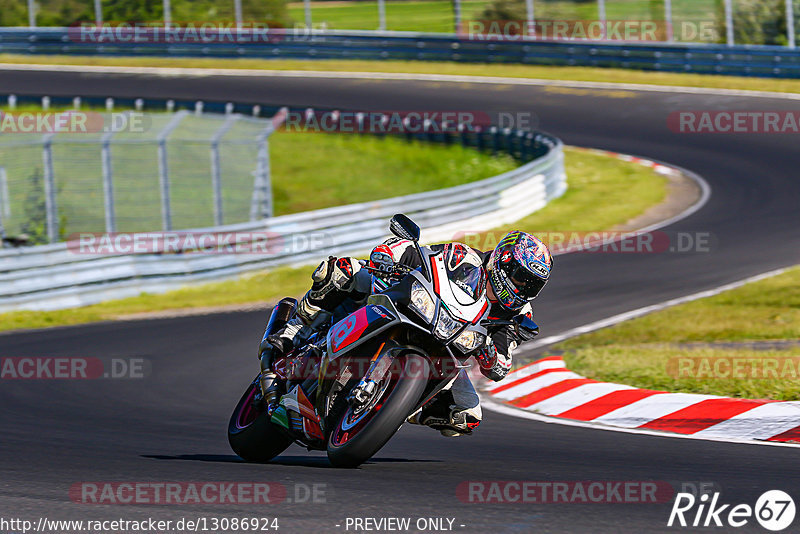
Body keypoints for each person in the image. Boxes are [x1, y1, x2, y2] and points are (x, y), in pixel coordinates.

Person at [259, 230, 553, 436]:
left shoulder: (518, 314)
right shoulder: (464, 257)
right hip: (409, 305)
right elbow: (419, 253)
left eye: (531, 285)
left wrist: (491, 354)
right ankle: (294, 329)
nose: (522, 288)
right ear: (503, 261)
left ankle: (395, 408)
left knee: (467, 415)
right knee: (340, 270)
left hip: (446, 350)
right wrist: (389, 256)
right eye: (520, 278)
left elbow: (502, 362)